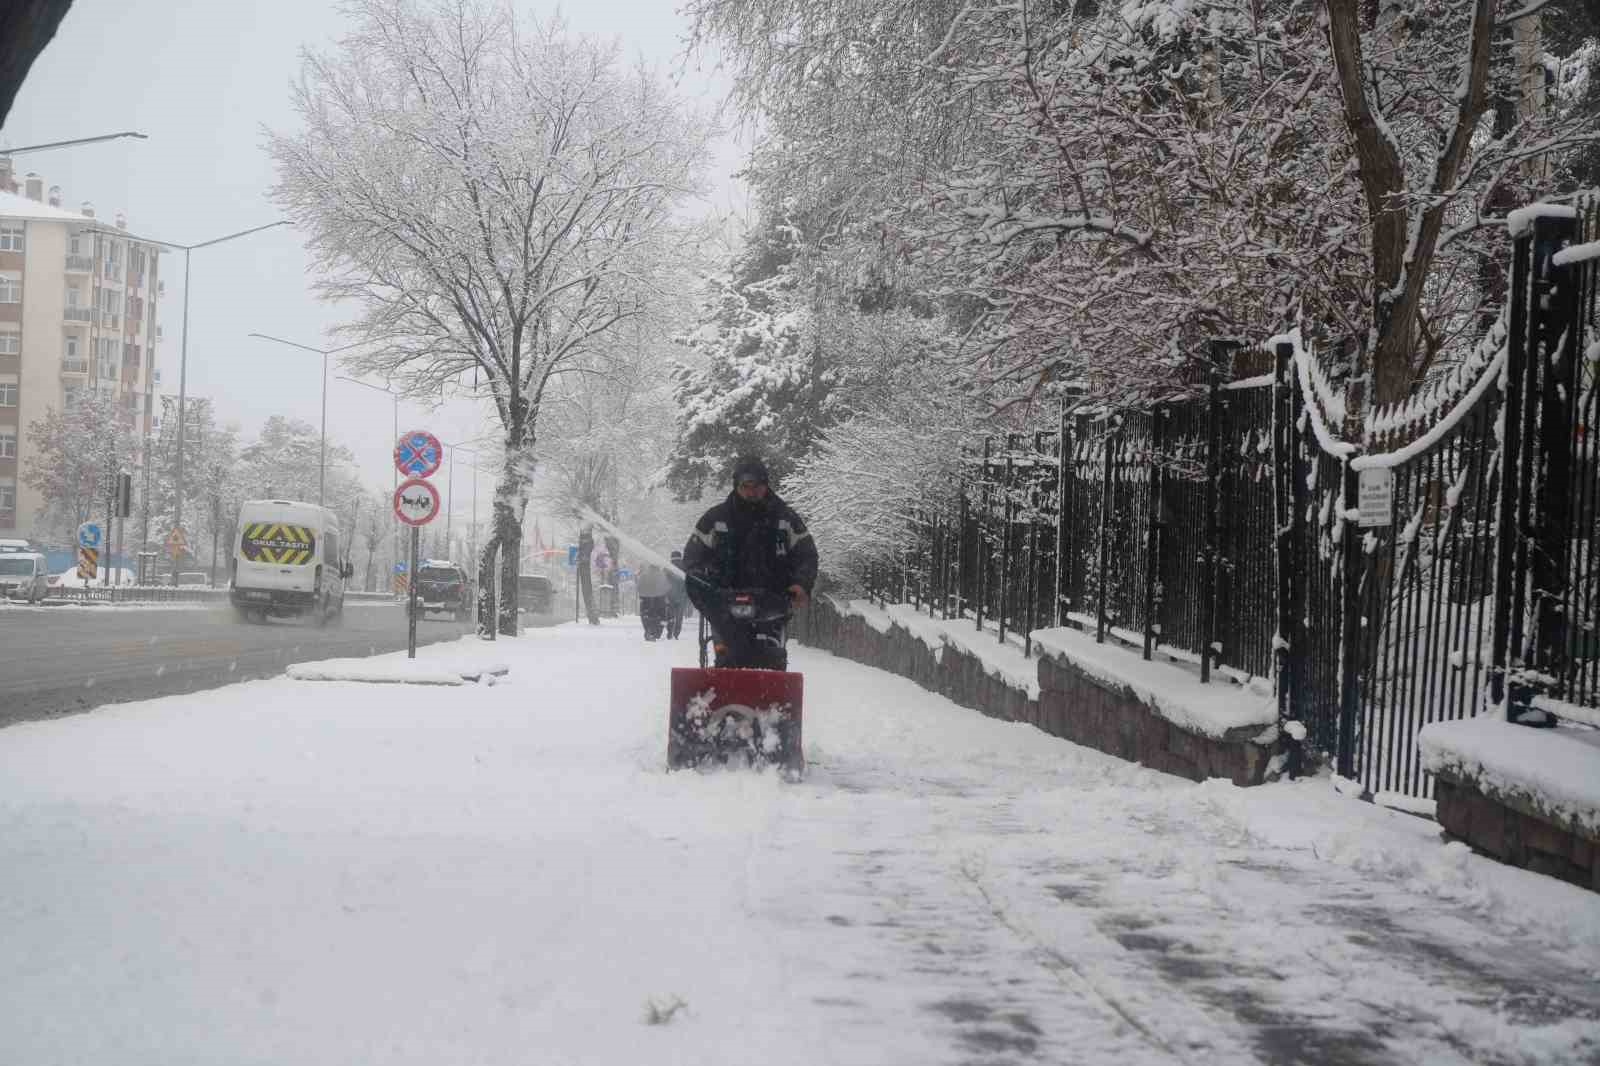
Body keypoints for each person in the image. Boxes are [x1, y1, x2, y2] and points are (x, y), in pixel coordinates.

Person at [681, 456, 818, 670]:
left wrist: (801, 583)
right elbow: (692, 557)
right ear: (737, 486)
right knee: (727, 657)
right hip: (724, 603)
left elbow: (806, 554)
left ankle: (773, 697)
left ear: (766, 485)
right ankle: (724, 691)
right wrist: (702, 582)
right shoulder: (716, 520)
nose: (752, 491)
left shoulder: (785, 519)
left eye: (758, 486)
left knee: (771, 657)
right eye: (746, 486)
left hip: (772, 600)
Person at [637, 562, 669, 641]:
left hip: (646, 598)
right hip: (659, 598)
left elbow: (639, 586)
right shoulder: (662, 575)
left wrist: (642, 595)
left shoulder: (644, 575)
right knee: (661, 616)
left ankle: (648, 629)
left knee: (645, 615)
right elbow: (666, 587)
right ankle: (657, 632)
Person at [665, 550, 689, 640]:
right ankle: (676, 633)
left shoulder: (668, 566)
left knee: (670, 614)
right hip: (682, 595)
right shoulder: (685, 567)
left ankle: (670, 631)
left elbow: (664, 580)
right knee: (679, 616)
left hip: (670, 595)